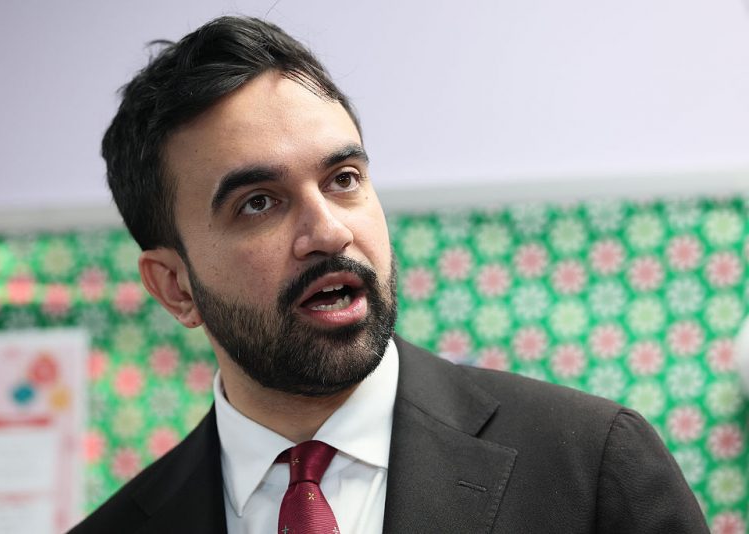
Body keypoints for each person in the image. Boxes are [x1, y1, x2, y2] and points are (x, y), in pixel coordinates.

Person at [70, 16, 709, 534]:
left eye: (343, 179)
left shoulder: (592, 464)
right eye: (258, 202)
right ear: (175, 287)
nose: (329, 232)